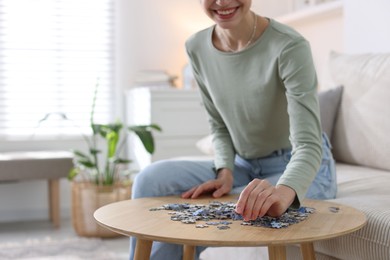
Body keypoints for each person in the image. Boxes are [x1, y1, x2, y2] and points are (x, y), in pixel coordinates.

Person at [129, 0, 337, 259]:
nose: (222, 2)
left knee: (241, 206)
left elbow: (308, 144)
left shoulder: (289, 45)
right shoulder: (196, 47)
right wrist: (224, 170)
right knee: (150, 180)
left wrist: (283, 192)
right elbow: (218, 124)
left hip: (301, 163)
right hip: (243, 165)